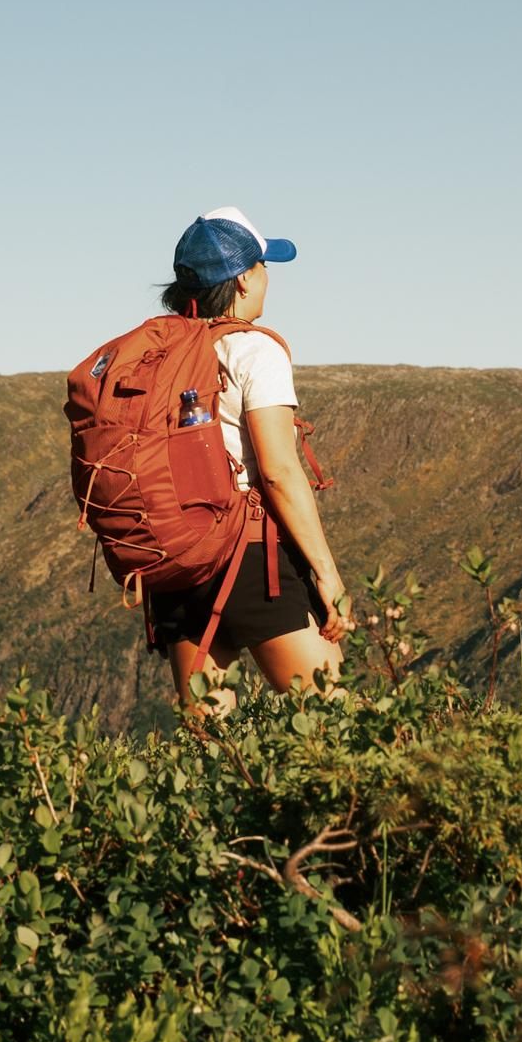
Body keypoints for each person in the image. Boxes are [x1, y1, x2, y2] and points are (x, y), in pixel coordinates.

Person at [144, 207, 349, 696]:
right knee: (337, 727)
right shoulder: (255, 351)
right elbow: (278, 471)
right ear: (241, 280)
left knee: (212, 749)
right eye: (262, 267)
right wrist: (327, 575)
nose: (266, 278)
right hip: (251, 558)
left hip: (177, 560)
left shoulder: (159, 355)